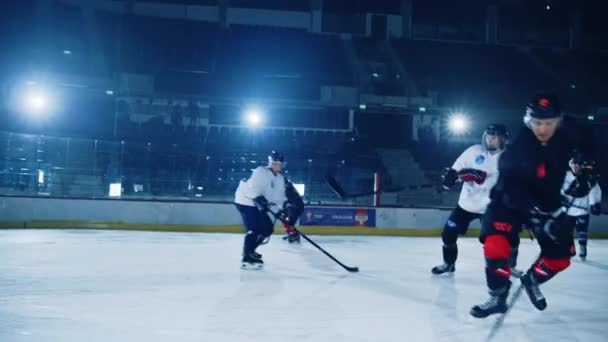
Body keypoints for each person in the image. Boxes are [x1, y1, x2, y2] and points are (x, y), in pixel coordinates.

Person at [470, 94, 576, 318]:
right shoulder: (518, 150)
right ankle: (498, 295)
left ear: (558, 122)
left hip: (545, 204)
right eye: (537, 123)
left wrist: (579, 187)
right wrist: (536, 214)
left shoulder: (565, 142)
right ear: (529, 122)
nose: (542, 129)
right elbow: (510, 187)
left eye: (548, 123)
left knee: (560, 258)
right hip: (508, 203)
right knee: (495, 247)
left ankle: (532, 280)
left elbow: (561, 177)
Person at [431, 124, 509, 275]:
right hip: (466, 205)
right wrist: (451, 178)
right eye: (488, 136)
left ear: (503, 139)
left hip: (491, 208)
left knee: (493, 242)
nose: (490, 140)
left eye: (494, 137)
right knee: (448, 235)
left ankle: (502, 268)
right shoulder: (473, 151)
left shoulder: (508, 158)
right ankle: (448, 263)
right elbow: (455, 170)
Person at [234, 151, 287, 270]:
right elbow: (250, 188)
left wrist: (283, 208)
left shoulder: (279, 178)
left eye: (280, 164)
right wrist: (258, 198)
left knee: (268, 228)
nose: (277, 166)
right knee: (253, 229)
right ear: (270, 163)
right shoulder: (261, 171)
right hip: (245, 201)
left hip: (259, 205)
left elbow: (279, 196)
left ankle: (251, 250)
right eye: (275, 163)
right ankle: (247, 256)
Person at [561, 153, 602, 260]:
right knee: (566, 230)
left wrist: (594, 204)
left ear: (580, 166)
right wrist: (562, 199)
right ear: (571, 165)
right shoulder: (566, 176)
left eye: (577, 165)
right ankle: (570, 249)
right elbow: (561, 189)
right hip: (569, 210)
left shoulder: (588, 178)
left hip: (583, 210)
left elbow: (594, 190)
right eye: (574, 164)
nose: (575, 166)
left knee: (582, 229)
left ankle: (582, 247)